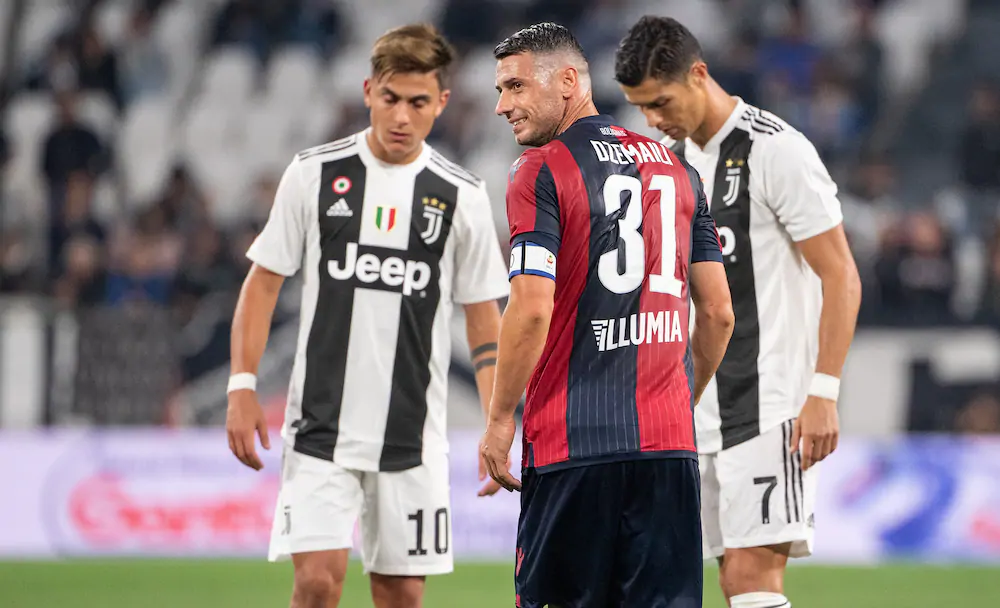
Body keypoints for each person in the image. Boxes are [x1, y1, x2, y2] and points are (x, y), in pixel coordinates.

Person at [225, 24, 510, 608]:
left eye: (418, 102)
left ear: (442, 102)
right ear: (367, 92)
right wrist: (241, 384)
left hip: (413, 437)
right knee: (316, 583)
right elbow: (262, 284)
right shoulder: (313, 174)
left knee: (401, 595)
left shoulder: (461, 195)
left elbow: (483, 318)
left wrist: (496, 421)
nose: (402, 116)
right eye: (390, 98)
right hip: (320, 429)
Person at [480, 22, 735, 608]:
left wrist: (497, 420)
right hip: (669, 452)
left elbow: (531, 308)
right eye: (501, 90)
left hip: (573, 448)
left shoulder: (540, 169)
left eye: (516, 87)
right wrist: (678, 400)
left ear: (568, 81)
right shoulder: (681, 172)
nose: (502, 106)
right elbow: (719, 313)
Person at [614, 16, 863, 608]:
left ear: (698, 75)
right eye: (641, 107)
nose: (651, 119)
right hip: (694, 411)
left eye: (660, 102)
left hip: (770, 406)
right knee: (728, 581)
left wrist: (823, 390)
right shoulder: (667, 165)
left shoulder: (776, 150)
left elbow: (841, 275)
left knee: (753, 581)